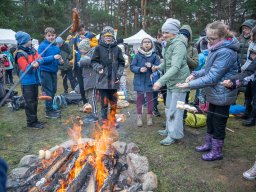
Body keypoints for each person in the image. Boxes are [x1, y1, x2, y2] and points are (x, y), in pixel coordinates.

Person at [176, 21, 240, 161]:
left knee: (218, 122)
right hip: (215, 92)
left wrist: (190, 85)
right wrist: (195, 74)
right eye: (208, 38)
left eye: (212, 38)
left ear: (223, 36)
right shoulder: (216, 47)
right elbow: (208, 68)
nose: (209, 41)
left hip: (223, 92)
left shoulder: (227, 51)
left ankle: (217, 151)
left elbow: (212, 77)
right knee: (210, 119)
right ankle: (208, 143)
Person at [152, 18, 190, 145]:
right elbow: (168, 63)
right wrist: (159, 67)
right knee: (169, 107)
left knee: (176, 110)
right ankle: (169, 129)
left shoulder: (179, 44)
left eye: (166, 32)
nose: (164, 35)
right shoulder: (170, 43)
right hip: (171, 82)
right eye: (163, 32)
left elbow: (175, 66)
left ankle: (174, 135)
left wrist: (160, 81)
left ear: (174, 32)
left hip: (180, 83)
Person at [91, 26, 124, 127]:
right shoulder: (98, 48)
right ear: (103, 37)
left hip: (114, 80)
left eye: (110, 36)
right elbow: (93, 61)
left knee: (113, 102)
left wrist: (118, 75)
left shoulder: (117, 49)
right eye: (106, 36)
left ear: (113, 37)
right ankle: (105, 121)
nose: (108, 38)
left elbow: (121, 63)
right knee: (104, 102)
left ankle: (113, 120)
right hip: (102, 80)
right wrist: (98, 67)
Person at [15, 31, 44, 128]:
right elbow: (26, 69)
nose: (30, 41)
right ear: (24, 41)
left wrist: (37, 63)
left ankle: (35, 120)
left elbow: (40, 58)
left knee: (34, 101)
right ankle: (31, 123)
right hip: (27, 82)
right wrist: (32, 65)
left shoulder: (32, 50)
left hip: (35, 80)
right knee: (29, 102)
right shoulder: (20, 54)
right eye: (29, 39)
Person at [130, 38, 160, 127]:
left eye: (148, 42)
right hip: (139, 80)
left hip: (150, 80)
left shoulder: (155, 55)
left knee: (150, 99)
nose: (147, 44)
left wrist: (152, 66)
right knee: (139, 99)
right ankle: (139, 117)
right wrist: (139, 69)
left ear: (151, 44)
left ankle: (149, 117)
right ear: (141, 44)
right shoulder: (137, 55)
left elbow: (158, 67)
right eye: (145, 42)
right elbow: (132, 67)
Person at [38, 27, 62, 119]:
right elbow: (40, 59)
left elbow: (57, 59)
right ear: (45, 36)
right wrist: (53, 57)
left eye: (52, 35)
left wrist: (60, 61)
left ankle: (51, 108)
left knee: (54, 90)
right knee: (48, 91)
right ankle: (48, 111)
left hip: (53, 71)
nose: (51, 37)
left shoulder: (56, 46)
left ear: (55, 35)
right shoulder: (42, 46)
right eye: (49, 35)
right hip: (45, 71)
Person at [238, 26, 256, 125]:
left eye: (252, 34)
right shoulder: (252, 44)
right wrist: (243, 68)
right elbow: (249, 59)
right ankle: (247, 113)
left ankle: (253, 119)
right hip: (250, 73)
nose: (251, 36)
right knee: (248, 93)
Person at [78, 38, 98, 122]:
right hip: (87, 78)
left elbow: (90, 61)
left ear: (86, 48)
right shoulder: (86, 54)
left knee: (92, 97)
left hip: (92, 78)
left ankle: (95, 114)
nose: (80, 51)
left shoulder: (91, 53)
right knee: (89, 97)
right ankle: (91, 112)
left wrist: (81, 62)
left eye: (81, 49)